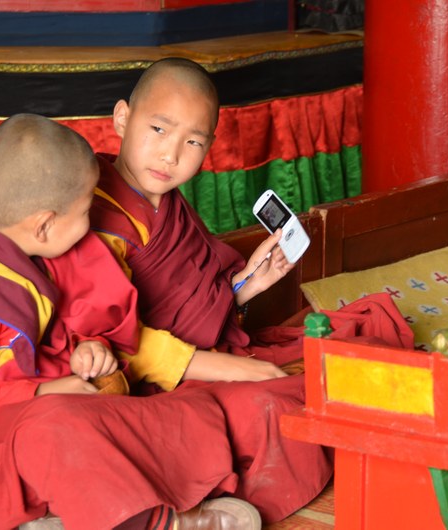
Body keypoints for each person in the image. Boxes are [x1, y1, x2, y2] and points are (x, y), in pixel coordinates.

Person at [61, 58, 416, 523]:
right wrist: (235, 370)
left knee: (355, 352)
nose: (171, 156)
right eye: (159, 129)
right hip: (141, 387)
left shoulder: (166, 203)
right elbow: (121, 343)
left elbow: (195, 298)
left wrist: (249, 283)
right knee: (274, 406)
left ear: (209, 147)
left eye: (192, 142)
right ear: (122, 118)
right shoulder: (94, 213)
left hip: (201, 358)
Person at [0, 113, 263, 530]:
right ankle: (156, 522)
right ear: (44, 224)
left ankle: (69, 515)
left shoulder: (22, 253)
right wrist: (45, 390)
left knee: (171, 410)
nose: (90, 226)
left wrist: (85, 353)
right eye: (85, 211)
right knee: (59, 425)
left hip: (32, 429)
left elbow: (46, 343)